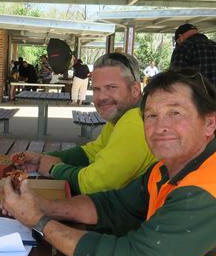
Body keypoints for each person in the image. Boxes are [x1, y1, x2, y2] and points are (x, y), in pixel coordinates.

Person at [0, 70, 216, 256]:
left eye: (175, 113)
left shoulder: (211, 190)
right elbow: (114, 207)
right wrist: (44, 205)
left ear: (209, 122)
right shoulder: (167, 170)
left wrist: (37, 220)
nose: (160, 127)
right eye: (151, 116)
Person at [13, 53, 155, 194]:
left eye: (111, 87)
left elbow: (95, 183)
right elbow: (91, 152)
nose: (101, 97)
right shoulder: (122, 116)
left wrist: (54, 169)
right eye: (96, 89)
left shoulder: (135, 121)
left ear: (135, 90)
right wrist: (42, 159)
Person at [170, 23, 216, 136]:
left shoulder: (184, 48)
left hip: (198, 107)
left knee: (197, 149)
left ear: (180, 37)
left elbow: (175, 81)